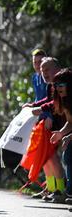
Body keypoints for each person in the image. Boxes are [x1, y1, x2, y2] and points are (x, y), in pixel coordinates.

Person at [23, 57, 66, 202]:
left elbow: (54, 103)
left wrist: (41, 109)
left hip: (63, 125)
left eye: (47, 69)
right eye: (42, 70)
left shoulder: (63, 81)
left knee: (54, 158)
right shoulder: (50, 86)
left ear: (57, 68)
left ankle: (62, 190)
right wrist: (33, 104)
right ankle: (53, 189)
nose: (44, 73)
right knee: (47, 158)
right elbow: (48, 100)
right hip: (56, 126)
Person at [48, 68, 72, 203]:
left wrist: (69, 136)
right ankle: (69, 192)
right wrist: (61, 133)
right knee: (67, 156)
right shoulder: (65, 100)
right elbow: (70, 122)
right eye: (56, 86)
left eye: (61, 85)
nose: (58, 88)